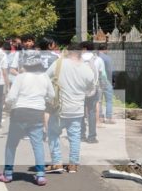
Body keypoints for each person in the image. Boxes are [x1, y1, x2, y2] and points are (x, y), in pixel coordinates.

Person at [0, 50, 54, 186]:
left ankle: (8, 174)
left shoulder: (21, 77)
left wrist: (7, 106)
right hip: (37, 113)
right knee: (38, 145)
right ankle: (40, 176)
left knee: (11, 144)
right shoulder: (45, 77)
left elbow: (11, 97)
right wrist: (42, 100)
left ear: (25, 63)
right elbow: (51, 96)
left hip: (19, 112)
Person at [46, 44, 95, 173]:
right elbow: (91, 89)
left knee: (53, 133)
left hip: (59, 108)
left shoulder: (59, 63)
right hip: (77, 109)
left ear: (67, 51)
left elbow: (46, 77)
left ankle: (57, 163)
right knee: (74, 136)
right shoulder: (86, 68)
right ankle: (73, 165)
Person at [80, 41, 107, 143]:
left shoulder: (78, 59)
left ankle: (81, 135)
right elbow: (103, 75)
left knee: (81, 113)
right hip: (93, 89)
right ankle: (91, 137)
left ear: (84, 48)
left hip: (80, 90)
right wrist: (102, 87)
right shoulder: (98, 60)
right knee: (92, 112)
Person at [98, 43, 115, 124]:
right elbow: (109, 71)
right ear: (105, 49)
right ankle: (109, 118)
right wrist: (112, 81)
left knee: (99, 100)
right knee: (109, 100)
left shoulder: (95, 58)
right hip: (106, 80)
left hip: (97, 81)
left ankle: (100, 117)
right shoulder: (107, 58)